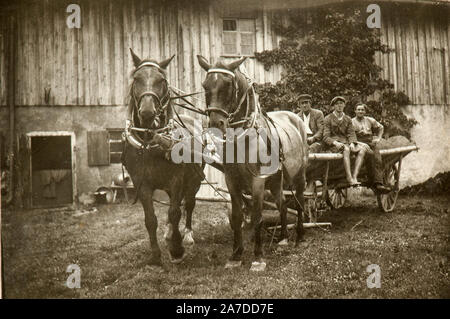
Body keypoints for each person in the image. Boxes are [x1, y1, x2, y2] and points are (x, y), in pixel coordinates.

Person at [323, 96, 365, 186]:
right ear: (333, 106)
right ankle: (349, 178)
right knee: (346, 149)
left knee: (362, 149)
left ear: (344, 105)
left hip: (346, 143)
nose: (339, 106)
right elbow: (326, 137)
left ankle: (355, 176)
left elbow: (351, 133)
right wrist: (335, 143)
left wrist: (352, 143)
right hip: (333, 145)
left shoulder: (347, 119)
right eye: (337, 104)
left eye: (341, 104)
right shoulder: (328, 118)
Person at [352, 103, 390, 193]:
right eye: (358, 109)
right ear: (355, 111)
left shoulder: (370, 120)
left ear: (365, 111)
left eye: (362, 110)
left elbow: (381, 127)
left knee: (377, 157)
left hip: (370, 142)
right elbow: (349, 135)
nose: (360, 111)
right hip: (357, 142)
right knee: (369, 155)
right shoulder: (351, 122)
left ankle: (378, 183)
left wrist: (379, 138)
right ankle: (369, 178)